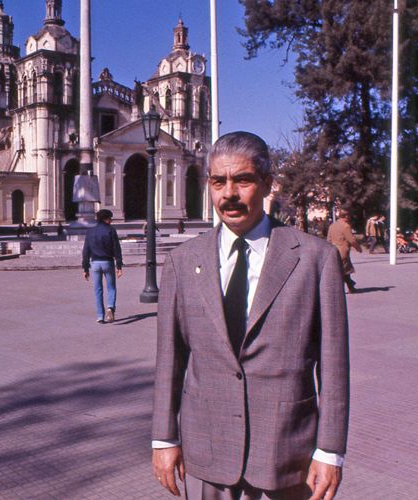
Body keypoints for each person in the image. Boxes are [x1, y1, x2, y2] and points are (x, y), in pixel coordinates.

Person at [152, 132, 349, 499]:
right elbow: (170, 359)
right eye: (218, 182)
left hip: (286, 452)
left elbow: (334, 364)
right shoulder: (182, 261)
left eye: (242, 180)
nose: (229, 194)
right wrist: (164, 438)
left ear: (266, 184)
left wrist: (330, 451)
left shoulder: (315, 259)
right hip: (207, 449)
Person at [82, 209, 123, 323]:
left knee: (98, 290)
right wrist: (119, 266)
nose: (111, 221)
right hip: (107, 262)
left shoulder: (90, 231)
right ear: (106, 219)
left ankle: (100, 316)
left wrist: (85, 268)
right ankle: (110, 307)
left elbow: (86, 251)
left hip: (95, 263)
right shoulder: (110, 230)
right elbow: (116, 249)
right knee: (111, 287)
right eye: (110, 218)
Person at [327, 209, 362, 293]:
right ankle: (339, 290)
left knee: (345, 269)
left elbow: (328, 239)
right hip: (343, 251)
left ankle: (351, 287)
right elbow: (351, 240)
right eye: (348, 216)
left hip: (333, 250)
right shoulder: (345, 226)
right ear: (346, 216)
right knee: (342, 270)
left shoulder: (332, 225)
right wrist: (358, 248)